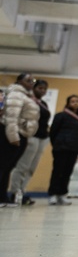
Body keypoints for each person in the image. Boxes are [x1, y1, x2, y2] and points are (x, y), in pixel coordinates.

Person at [1, 74, 41, 209]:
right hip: (13, 135)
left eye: (33, 81)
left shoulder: (25, 95)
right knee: (3, 166)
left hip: (21, 134)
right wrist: (13, 137)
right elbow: (11, 117)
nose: (31, 83)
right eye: (28, 80)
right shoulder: (16, 94)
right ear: (19, 81)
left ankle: (2, 197)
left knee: (7, 168)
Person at [8, 79, 51, 205]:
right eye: (40, 88)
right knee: (22, 166)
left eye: (44, 89)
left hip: (42, 138)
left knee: (31, 168)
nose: (42, 91)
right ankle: (14, 192)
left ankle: (22, 191)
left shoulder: (43, 104)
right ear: (33, 88)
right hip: (30, 136)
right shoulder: (27, 101)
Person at [48, 94, 78, 205]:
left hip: (74, 147)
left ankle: (62, 194)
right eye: (72, 101)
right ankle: (53, 194)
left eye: (77, 101)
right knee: (57, 171)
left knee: (67, 172)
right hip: (61, 146)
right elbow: (53, 132)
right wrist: (56, 144)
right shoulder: (60, 115)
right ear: (68, 103)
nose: (75, 103)